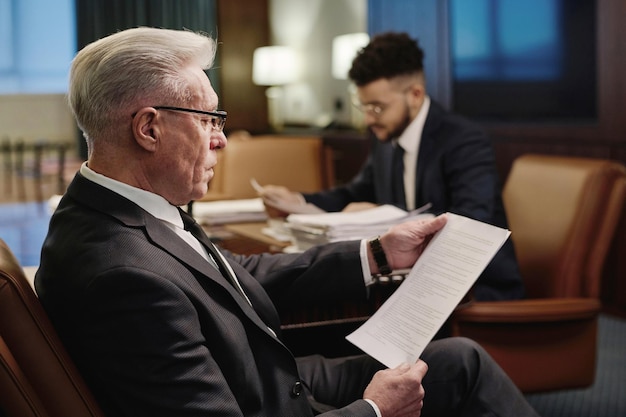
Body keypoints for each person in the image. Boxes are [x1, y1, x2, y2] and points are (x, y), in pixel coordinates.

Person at [34, 27, 539, 417]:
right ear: (149, 127)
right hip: (274, 398)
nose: (221, 139)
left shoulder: (122, 212)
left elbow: (238, 273)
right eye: (208, 119)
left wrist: (377, 253)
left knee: (461, 359)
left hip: (271, 378)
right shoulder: (123, 277)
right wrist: (376, 409)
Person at [260, 32, 524, 301]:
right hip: (410, 286)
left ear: (415, 95)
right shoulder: (387, 138)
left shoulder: (464, 141)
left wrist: (389, 217)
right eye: (363, 106)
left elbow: (468, 224)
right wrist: (298, 200)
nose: (367, 119)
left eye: (376, 108)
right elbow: (355, 194)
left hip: (475, 292)